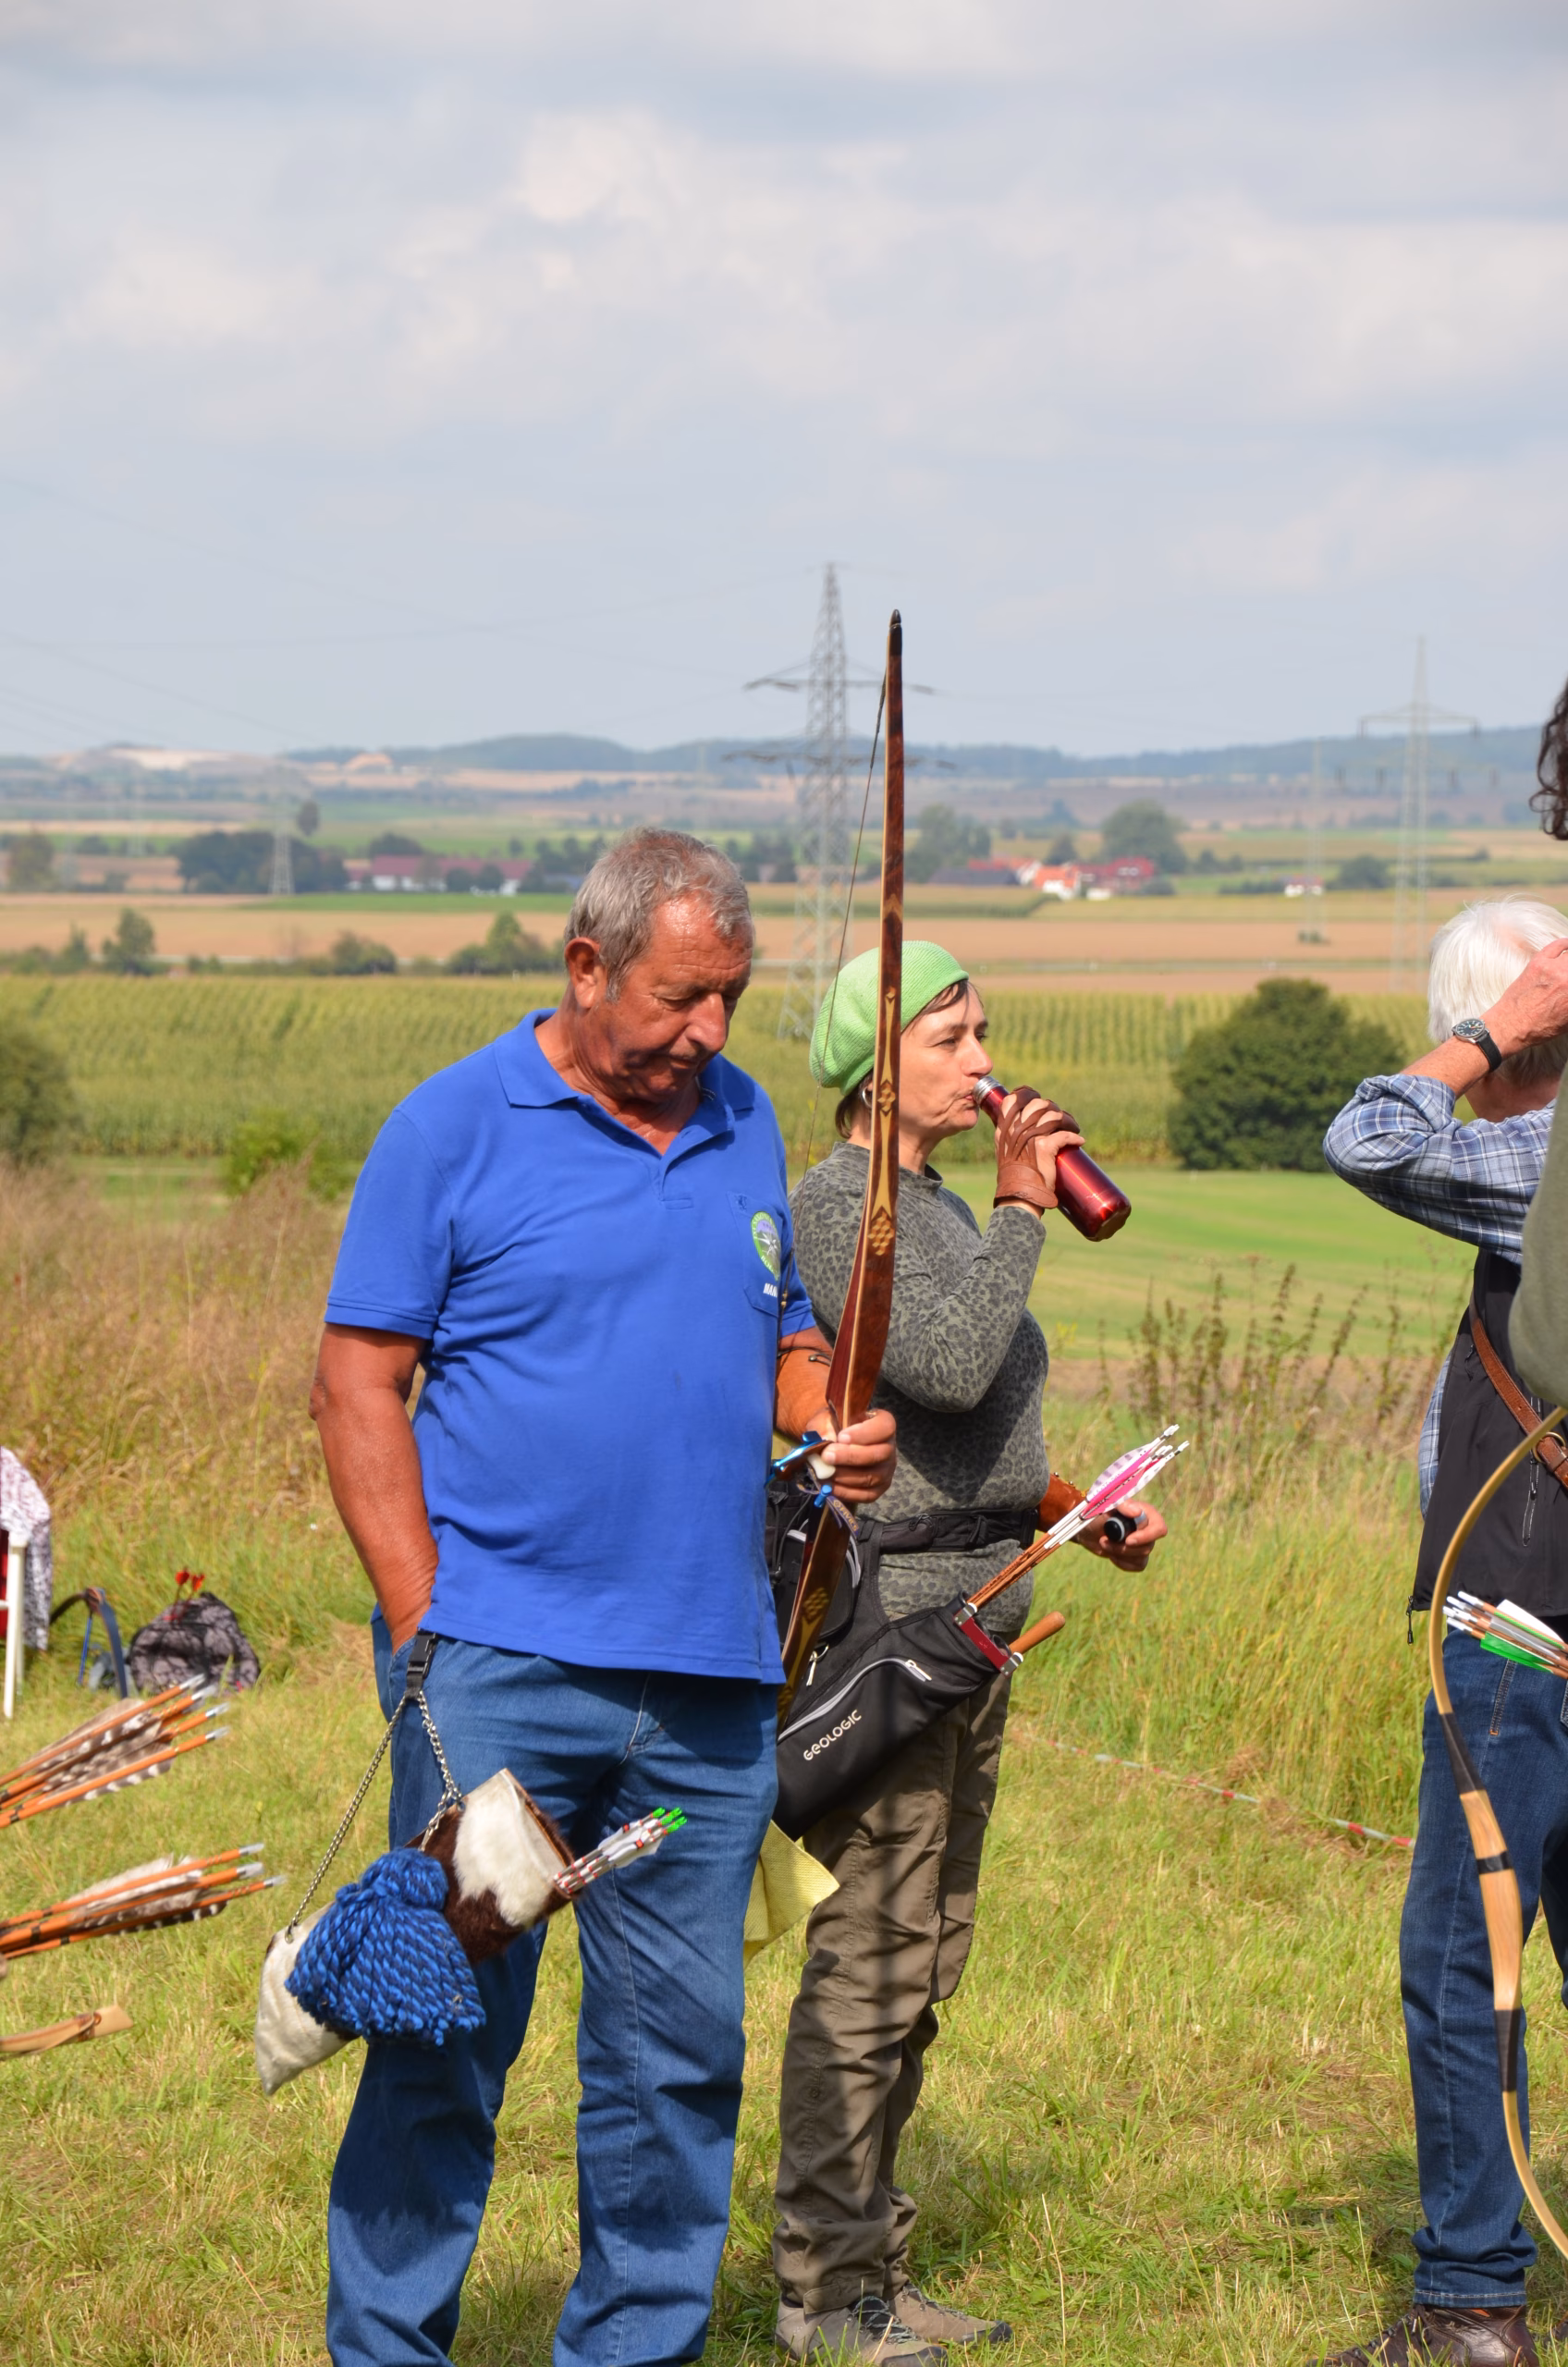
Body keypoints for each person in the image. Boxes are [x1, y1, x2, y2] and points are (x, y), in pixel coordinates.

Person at [309, 829, 897, 2367]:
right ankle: (385, 2349)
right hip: (496, 1671)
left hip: (706, 1684)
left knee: (676, 2064)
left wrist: (821, 1413)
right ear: (586, 968)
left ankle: (636, 2348)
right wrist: (425, 1620)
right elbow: (359, 1384)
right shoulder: (452, 1128)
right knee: (440, 2033)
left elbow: (780, 1333)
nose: (709, 1033)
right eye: (681, 998)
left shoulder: (749, 1120)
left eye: (732, 1000)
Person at [770, 941, 1169, 2366]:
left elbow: (972, 1422)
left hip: (985, 1610)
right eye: (956, 1034)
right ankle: (820, 2293)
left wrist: (1078, 1512)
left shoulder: (937, 1209)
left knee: (930, 1954)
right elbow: (939, 1361)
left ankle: (873, 2262)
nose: (986, 1058)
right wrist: (1020, 1210)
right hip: (899, 1628)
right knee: (874, 1953)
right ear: (880, 1071)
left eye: (985, 1028)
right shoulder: (843, 1208)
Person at [1323, 895, 1568, 2367]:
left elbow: (1370, 1135)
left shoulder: (1535, 1153)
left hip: (1517, 1600)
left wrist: (1489, 1037)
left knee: (1465, 1941)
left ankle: (1472, 2303)